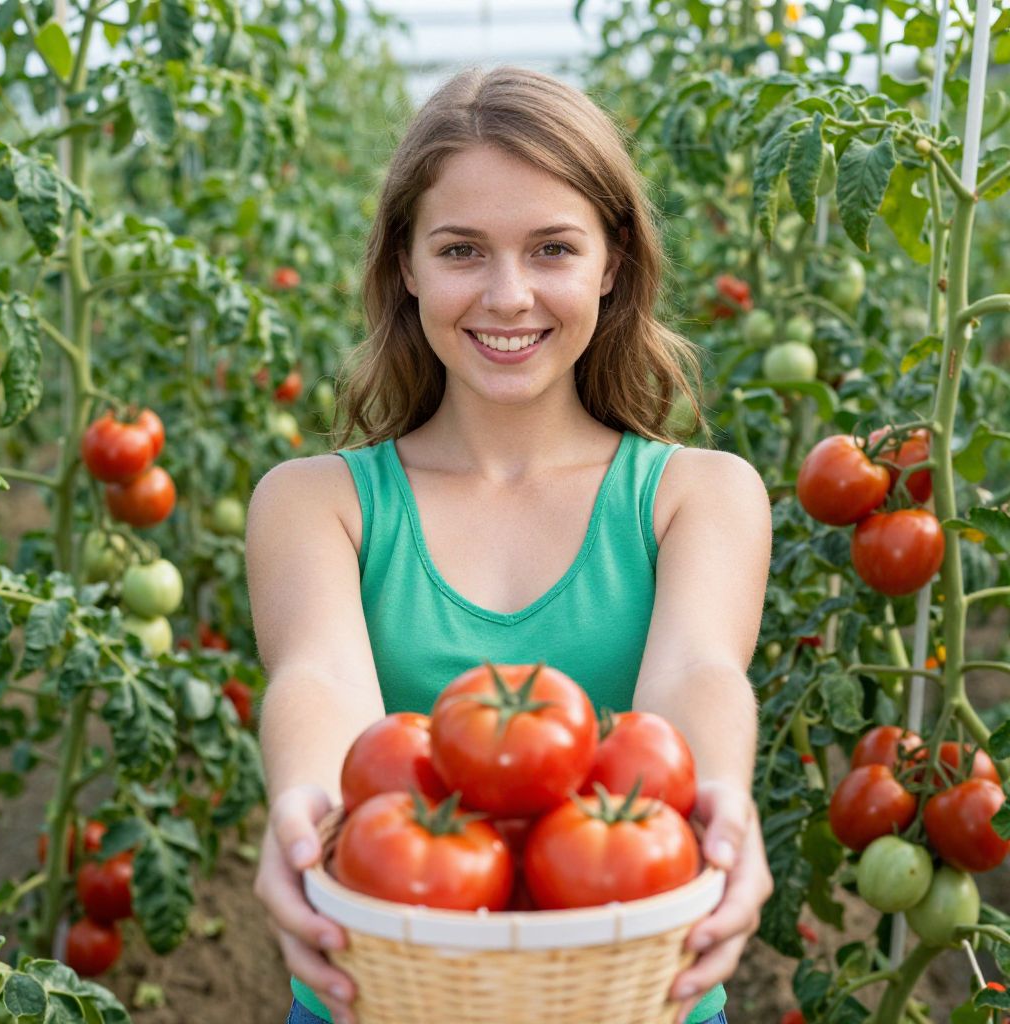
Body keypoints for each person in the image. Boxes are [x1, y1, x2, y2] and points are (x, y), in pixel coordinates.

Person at [246, 65, 774, 1024]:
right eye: (460, 250)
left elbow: (695, 677)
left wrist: (725, 798)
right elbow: (319, 684)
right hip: (384, 994)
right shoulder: (314, 503)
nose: (508, 294)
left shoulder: (700, 495)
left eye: (552, 249)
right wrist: (302, 815)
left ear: (612, 262)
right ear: (404, 265)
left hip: (634, 998)